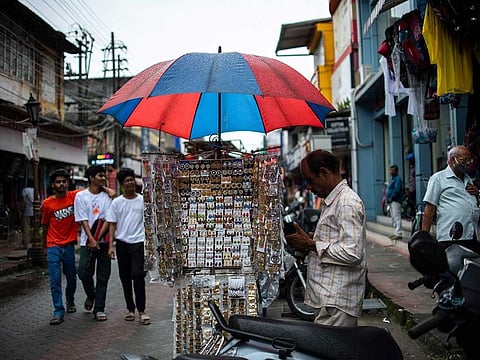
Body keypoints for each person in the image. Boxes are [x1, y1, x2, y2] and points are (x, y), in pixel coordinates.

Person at [285, 149, 366, 326]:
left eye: (310, 180)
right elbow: (337, 241)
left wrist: (312, 245)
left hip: (337, 301)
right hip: (330, 299)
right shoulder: (334, 201)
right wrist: (312, 240)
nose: (308, 187)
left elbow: (352, 253)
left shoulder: (346, 203)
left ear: (324, 173)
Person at [106, 168, 151, 325]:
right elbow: (112, 225)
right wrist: (110, 246)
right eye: (127, 181)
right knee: (125, 278)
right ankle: (130, 309)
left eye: (132, 179)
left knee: (138, 276)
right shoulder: (117, 203)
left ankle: (142, 311)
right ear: (122, 184)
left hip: (139, 243)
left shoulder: (143, 200)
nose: (130, 183)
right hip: (122, 244)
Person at [41, 169, 81, 325]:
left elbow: (94, 188)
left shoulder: (74, 196)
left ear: (68, 183)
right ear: (52, 185)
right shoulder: (47, 204)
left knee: (72, 277)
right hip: (53, 246)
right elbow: (44, 225)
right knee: (55, 280)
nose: (61, 184)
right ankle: (58, 310)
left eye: (64, 181)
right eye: (58, 182)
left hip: (69, 245)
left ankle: (70, 300)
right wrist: (45, 246)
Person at [422, 145, 480, 252]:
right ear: (454, 160)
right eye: (464, 160)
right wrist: (424, 238)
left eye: (469, 160)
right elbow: (429, 210)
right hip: (450, 237)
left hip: (471, 236)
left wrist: (477, 193)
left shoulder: (469, 180)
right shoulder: (438, 179)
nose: (468, 163)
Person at [74, 165, 113, 321]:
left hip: (103, 242)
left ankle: (99, 309)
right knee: (83, 272)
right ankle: (91, 295)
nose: (103, 178)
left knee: (103, 276)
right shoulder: (81, 196)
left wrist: (97, 239)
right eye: (100, 176)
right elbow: (82, 219)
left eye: (104, 176)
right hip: (86, 242)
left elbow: (108, 219)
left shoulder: (107, 197)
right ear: (91, 178)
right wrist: (90, 239)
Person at [386, 165, 403, 240]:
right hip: (391, 201)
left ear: (396, 171)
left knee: (397, 216)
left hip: (395, 200)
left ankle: (398, 233)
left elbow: (397, 190)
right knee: (393, 217)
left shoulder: (398, 179)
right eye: (390, 170)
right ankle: (396, 232)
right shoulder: (392, 179)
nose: (391, 172)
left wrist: (391, 197)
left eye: (393, 170)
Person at [20, 178, 34, 249]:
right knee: (33, 227)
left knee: (26, 227)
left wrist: (21, 210)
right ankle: (32, 242)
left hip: (27, 211)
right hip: (34, 211)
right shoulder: (35, 191)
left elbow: (24, 201)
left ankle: (26, 244)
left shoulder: (25, 190)